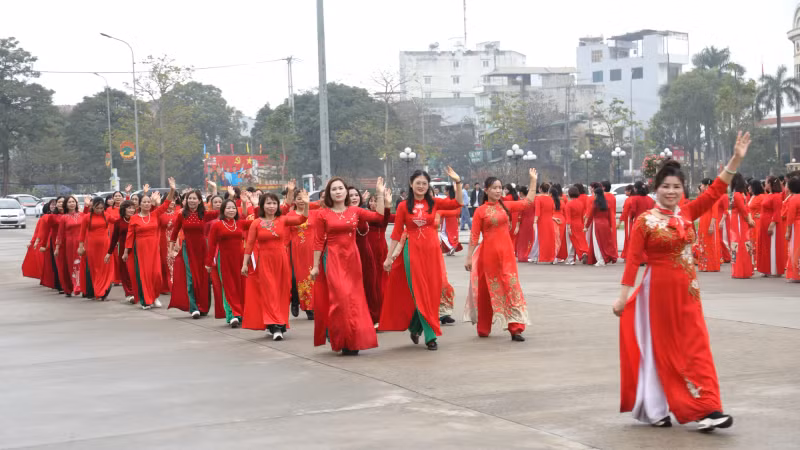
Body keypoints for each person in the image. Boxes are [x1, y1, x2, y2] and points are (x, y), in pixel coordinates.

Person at [614, 131, 750, 432]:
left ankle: (707, 407)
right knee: (667, 350)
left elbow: (715, 192)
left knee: (697, 346)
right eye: (666, 186)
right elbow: (634, 261)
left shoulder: (688, 212)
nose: (671, 191)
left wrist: (735, 160)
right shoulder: (645, 221)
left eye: (676, 186)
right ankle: (667, 408)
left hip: (689, 293)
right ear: (656, 188)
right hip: (658, 294)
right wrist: (622, 297)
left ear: (683, 188)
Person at [380, 168, 463, 351]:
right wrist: (389, 257)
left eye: (424, 183)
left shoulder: (434, 203)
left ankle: (416, 327)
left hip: (432, 251)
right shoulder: (403, 206)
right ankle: (431, 335)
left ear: (428, 186)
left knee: (432, 291)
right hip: (412, 251)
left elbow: (458, 203)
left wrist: (457, 182)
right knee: (419, 290)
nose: (421, 186)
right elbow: (395, 233)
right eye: (418, 183)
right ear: (411, 184)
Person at [312, 177, 387, 355]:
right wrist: (315, 266)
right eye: (334, 189)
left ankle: (353, 340)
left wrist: (380, 193)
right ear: (329, 194)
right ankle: (341, 338)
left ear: (346, 192)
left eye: (340, 188)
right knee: (341, 299)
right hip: (334, 259)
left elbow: (379, 216)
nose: (337, 191)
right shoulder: (322, 214)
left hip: (353, 260)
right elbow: (317, 242)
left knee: (354, 300)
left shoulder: (355, 211)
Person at [464, 169, 538, 341]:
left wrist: (533, 181)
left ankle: (516, 328)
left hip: (507, 255)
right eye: (494, 188)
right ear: (486, 190)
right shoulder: (480, 211)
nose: (498, 191)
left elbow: (527, 203)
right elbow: (474, 236)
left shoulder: (506, 206)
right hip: (488, 256)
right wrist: (469, 257)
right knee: (487, 290)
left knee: (511, 287)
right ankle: (483, 327)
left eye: (500, 188)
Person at [241, 191, 308, 339]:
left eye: (274, 203)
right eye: (268, 203)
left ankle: (279, 323)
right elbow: (250, 245)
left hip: (282, 260)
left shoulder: (283, 219)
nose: (271, 206)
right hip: (265, 261)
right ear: (262, 206)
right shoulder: (256, 223)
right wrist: (245, 264)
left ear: (277, 205)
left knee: (282, 293)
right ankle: (275, 326)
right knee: (270, 292)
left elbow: (302, 219)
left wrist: (307, 203)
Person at [123, 178, 177, 309]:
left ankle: (155, 296)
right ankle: (146, 300)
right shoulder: (134, 218)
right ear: (139, 205)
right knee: (144, 275)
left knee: (156, 275)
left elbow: (166, 203)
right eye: (144, 202)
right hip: (141, 250)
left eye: (148, 202)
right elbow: (130, 237)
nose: (147, 204)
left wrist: (172, 189)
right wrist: (126, 252)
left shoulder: (154, 214)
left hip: (154, 249)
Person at [168, 189, 220, 319]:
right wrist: (170, 249)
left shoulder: (205, 214)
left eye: (194, 198)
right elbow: (174, 233)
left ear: (199, 201)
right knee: (190, 279)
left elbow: (223, 212)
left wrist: (232, 197)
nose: (192, 201)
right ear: (186, 201)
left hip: (203, 249)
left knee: (203, 279)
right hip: (188, 249)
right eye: (189, 198)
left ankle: (203, 307)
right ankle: (194, 307)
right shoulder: (182, 215)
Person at [205, 199, 254, 328]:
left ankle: (241, 313)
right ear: (223, 210)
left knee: (240, 286)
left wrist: (255, 205)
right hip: (225, 260)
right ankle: (232, 315)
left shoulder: (240, 223)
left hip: (239, 259)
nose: (231, 210)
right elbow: (211, 245)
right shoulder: (217, 225)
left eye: (233, 208)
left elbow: (257, 221)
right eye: (228, 208)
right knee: (228, 286)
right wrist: (209, 263)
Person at [77, 197, 118, 300]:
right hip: (91, 247)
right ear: (93, 207)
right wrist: (81, 247)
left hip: (105, 246)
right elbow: (81, 234)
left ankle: (103, 290)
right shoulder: (87, 217)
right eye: (97, 208)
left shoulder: (107, 215)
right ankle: (97, 290)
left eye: (101, 208)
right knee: (95, 269)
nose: (99, 210)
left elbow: (118, 221)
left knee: (106, 267)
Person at [54, 196, 87, 297]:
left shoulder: (82, 215)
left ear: (76, 203)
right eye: (69, 202)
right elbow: (60, 234)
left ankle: (83, 287)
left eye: (73, 202)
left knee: (83, 265)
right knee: (73, 266)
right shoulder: (64, 218)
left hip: (82, 243)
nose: (72, 204)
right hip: (70, 245)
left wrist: (87, 205)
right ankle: (75, 286)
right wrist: (57, 248)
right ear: (66, 205)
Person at [108, 200, 136, 303]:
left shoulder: (137, 219)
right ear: (124, 209)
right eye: (129, 208)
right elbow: (114, 238)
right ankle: (129, 293)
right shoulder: (118, 222)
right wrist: (109, 253)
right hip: (123, 250)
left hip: (136, 248)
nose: (131, 210)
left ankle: (137, 292)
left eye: (133, 208)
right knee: (125, 272)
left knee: (135, 271)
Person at [757, 176, 786, 277]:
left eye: (766, 182)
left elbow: (777, 212)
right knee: (765, 246)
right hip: (764, 222)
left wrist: (771, 225)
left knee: (771, 246)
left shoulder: (777, 196)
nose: (765, 184)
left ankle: (773, 269)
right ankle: (766, 268)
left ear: (770, 184)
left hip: (771, 223)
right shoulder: (768, 195)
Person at [729, 173, 756, 279]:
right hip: (741, 221)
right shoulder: (742, 194)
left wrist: (748, 219)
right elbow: (746, 208)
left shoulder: (736, 195)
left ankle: (740, 270)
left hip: (738, 221)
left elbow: (743, 209)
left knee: (738, 245)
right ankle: (745, 270)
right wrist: (750, 219)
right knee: (744, 244)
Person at [38, 197, 64, 291]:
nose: (61, 204)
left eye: (63, 202)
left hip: (69, 242)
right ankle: (60, 284)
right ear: (56, 204)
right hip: (55, 242)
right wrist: (43, 244)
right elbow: (46, 231)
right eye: (59, 202)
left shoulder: (72, 215)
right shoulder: (52, 217)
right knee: (57, 264)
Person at [586, 187, 617, 266]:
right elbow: (610, 216)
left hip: (597, 224)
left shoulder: (595, 203)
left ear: (596, 194)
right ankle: (605, 258)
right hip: (606, 224)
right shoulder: (606, 203)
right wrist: (610, 225)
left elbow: (590, 216)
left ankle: (600, 260)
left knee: (597, 243)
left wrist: (586, 226)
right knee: (604, 243)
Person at [158, 193, 181, 294]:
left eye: (173, 200)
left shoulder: (178, 213)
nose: (172, 202)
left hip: (176, 239)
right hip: (163, 240)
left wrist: (178, 241)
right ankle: (166, 286)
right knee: (165, 262)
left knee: (175, 261)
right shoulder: (160, 214)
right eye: (170, 200)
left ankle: (175, 285)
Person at [696, 179, 721, 272]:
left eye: (702, 185)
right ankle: (704, 264)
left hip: (709, 221)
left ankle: (711, 265)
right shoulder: (704, 195)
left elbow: (715, 212)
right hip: (703, 221)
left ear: (707, 186)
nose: (700, 186)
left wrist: (711, 225)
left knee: (710, 243)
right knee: (703, 242)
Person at [531, 182, 555, 264]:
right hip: (550, 221)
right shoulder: (551, 199)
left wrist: (535, 221)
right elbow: (552, 211)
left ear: (540, 189)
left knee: (539, 239)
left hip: (541, 221)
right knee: (549, 240)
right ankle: (551, 257)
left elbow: (537, 212)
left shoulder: (538, 199)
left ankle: (537, 256)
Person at [564, 186, 588, 265]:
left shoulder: (568, 204)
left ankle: (571, 260)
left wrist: (568, 227)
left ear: (569, 194)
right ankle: (584, 252)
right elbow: (582, 215)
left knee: (571, 242)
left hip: (572, 224)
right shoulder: (580, 203)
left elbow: (568, 217)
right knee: (581, 240)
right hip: (580, 224)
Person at [784, 176, 800, 281]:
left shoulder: (793, 199)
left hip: (796, 226)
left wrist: (788, 231)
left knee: (795, 249)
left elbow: (790, 217)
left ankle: (796, 274)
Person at [440, 185, 463, 256]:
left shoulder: (446, 200)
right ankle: (451, 246)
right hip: (454, 218)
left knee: (443, 233)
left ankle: (450, 247)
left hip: (447, 218)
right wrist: (458, 218)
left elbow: (441, 210)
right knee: (452, 234)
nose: (444, 192)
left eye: (445, 190)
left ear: (448, 191)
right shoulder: (455, 200)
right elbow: (459, 210)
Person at [514, 186, 536, 262]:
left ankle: (523, 255)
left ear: (521, 193)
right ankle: (530, 254)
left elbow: (519, 215)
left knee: (523, 239)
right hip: (532, 221)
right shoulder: (533, 201)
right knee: (531, 238)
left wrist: (517, 226)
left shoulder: (522, 202)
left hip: (525, 222)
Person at [748, 180, 765, 259]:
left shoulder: (762, 197)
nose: (748, 188)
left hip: (757, 222)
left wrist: (762, 215)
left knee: (756, 241)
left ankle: (757, 260)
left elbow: (768, 208)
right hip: (751, 222)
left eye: (750, 186)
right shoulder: (752, 196)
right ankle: (753, 260)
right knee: (752, 241)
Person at [601, 181, 618, 254]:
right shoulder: (612, 197)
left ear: (603, 187)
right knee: (612, 237)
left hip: (604, 218)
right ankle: (613, 252)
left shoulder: (602, 196)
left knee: (604, 237)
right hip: (612, 218)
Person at [551, 184, 567, 263]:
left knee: (554, 239)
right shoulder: (562, 202)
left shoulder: (551, 202)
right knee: (560, 239)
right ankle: (559, 256)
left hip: (553, 219)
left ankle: (554, 256)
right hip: (562, 220)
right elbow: (565, 213)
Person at [619, 185, 634, 259]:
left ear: (630, 191)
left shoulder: (628, 200)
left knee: (628, 238)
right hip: (635, 220)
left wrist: (620, 221)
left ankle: (628, 254)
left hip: (629, 220)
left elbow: (624, 212)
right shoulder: (636, 198)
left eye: (626, 190)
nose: (625, 192)